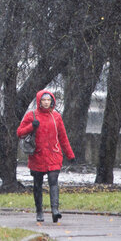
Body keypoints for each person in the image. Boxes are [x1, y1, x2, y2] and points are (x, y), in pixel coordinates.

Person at [17, 89, 75, 223]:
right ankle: (39, 212)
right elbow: (19, 133)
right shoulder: (31, 116)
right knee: (37, 184)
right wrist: (31, 126)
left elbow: (63, 137)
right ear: (39, 101)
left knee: (53, 181)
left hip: (54, 154)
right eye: (44, 100)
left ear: (52, 101)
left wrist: (70, 155)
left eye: (49, 100)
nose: (46, 102)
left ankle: (55, 210)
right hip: (37, 156)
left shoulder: (56, 117)